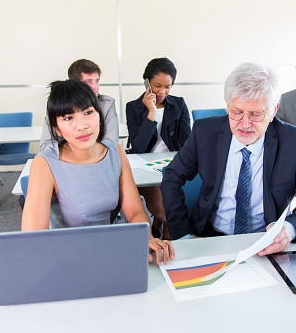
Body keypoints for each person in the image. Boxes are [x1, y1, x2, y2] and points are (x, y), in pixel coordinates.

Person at [161, 62, 296, 255]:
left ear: (273, 111)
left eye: (255, 114)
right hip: (208, 238)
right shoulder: (204, 132)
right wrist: (185, 235)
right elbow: (172, 177)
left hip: (265, 243)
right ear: (228, 107)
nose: (245, 124)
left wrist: (289, 230)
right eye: (236, 112)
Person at [22, 80, 173, 265]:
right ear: (57, 129)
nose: (82, 125)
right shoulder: (45, 163)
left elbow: (134, 212)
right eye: (68, 118)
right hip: (66, 256)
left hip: (110, 250)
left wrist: (145, 236)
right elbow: (32, 236)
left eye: (88, 112)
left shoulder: (115, 151)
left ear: (99, 116)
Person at [126, 57, 191, 240]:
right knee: (166, 213)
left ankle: (164, 235)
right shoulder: (133, 107)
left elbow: (186, 142)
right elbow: (138, 147)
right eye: (157, 85)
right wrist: (151, 112)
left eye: (168, 86)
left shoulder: (179, 104)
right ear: (146, 82)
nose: (163, 91)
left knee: (171, 206)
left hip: (172, 166)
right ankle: (163, 231)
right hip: (145, 167)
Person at [40, 59, 119, 151]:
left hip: (98, 159)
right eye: (89, 82)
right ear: (75, 85)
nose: (95, 87)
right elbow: (45, 146)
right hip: (66, 163)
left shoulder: (107, 104)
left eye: (97, 81)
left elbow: (111, 143)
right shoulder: (58, 106)